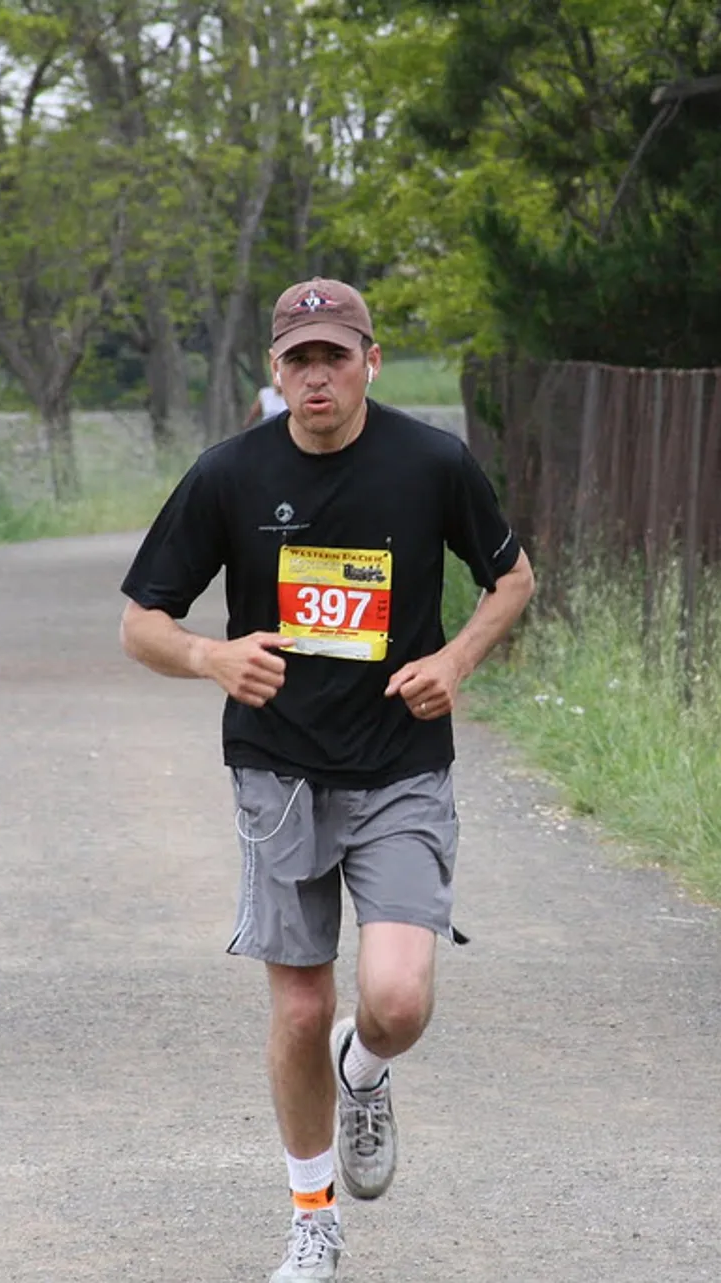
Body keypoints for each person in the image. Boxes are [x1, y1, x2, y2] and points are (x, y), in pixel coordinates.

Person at [119, 277, 535, 1282]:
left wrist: (456, 661)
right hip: (280, 772)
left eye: (335, 356)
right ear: (275, 369)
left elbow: (513, 579)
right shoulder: (227, 474)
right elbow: (140, 624)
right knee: (299, 1007)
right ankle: (313, 1216)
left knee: (393, 1000)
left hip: (399, 766)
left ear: (370, 361)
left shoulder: (431, 462)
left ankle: (367, 1068)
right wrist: (212, 659)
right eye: (299, 358)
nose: (318, 375)